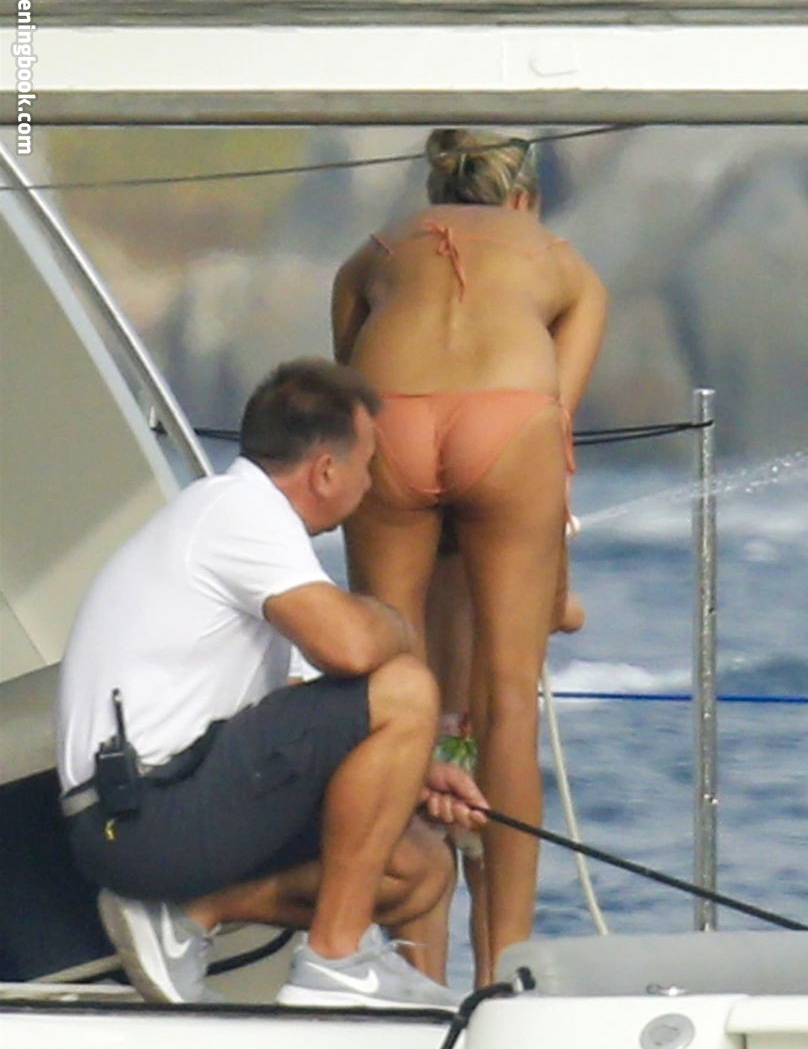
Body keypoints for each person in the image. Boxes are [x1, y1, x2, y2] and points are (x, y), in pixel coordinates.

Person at [55, 360, 488, 1008]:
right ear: (326, 471)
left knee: (418, 869)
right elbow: (352, 649)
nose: (370, 485)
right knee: (406, 688)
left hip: (155, 807)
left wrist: (412, 770)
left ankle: (195, 913)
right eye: (368, 465)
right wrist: (398, 625)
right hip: (141, 816)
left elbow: (304, 709)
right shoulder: (238, 512)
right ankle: (335, 963)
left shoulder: (243, 523)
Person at [331, 128, 609, 977]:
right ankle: (502, 973)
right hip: (508, 423)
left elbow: (348, 395)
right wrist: (553, 591)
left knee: (397, 695)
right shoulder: (566, 265)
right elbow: (555, 429)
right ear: (525, 196)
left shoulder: (370, 255)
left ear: (433, 187)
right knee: (507, 706)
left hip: (393, 422)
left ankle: (417, 970)